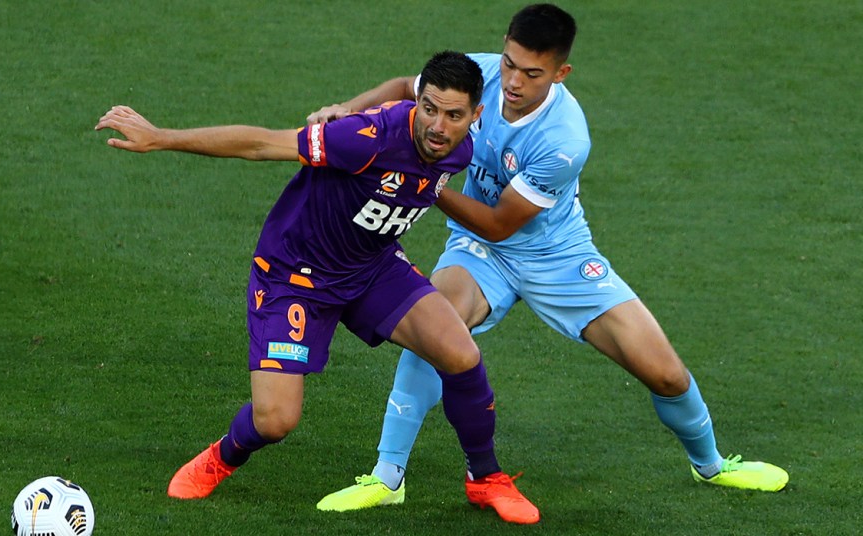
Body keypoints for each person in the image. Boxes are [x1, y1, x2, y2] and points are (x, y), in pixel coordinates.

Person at [310, 4, 789, 514]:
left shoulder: (565, 139)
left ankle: (711, 465)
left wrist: (422, 179)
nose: (513, 81)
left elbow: (499, 221)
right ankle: (388, 477)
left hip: (556, 255)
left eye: (531, 73)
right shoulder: (484, 74)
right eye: (510, 62)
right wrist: (347, 108)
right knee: (436, 330)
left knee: (666, 373)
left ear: (561, 73)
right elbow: (408, 85)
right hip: (480, 254)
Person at [95, 51, 541, 524]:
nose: (438, 125)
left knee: (460, 353)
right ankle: (223, 455)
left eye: (454, 115)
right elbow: (263, 144)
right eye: (429, 108)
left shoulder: (460, 149)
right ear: (418, 101)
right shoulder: (364, 140)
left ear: (476, 116)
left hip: (371, 267)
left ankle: (485, 478)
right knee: (275, 421)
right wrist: (161, 137)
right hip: (296, 276)